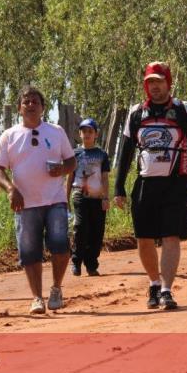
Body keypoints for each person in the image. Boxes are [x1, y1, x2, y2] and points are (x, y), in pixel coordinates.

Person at [114, 62, 187, 310]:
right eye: (150, 82)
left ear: (169, 83)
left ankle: (167, 290)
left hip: (176, 184)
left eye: (159, 81)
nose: (155, 86)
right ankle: (154, 283)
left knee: (171, 236)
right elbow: (125, 153)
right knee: (144, 238)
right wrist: (118, 188)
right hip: (145, 184)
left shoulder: (184, 110)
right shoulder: (136, 113)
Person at [0, 86, 76, 314]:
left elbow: (71, 161)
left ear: (42, 107)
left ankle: (56, 288)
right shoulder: (9, 135)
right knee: (30, 252)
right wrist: (10, 189)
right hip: (25, 204)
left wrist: (62, 169)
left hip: (55, 200)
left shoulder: (56, 131)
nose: (30, 105)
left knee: (60, 246)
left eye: (35, 101)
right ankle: (37, 298)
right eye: (26, 101)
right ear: (19, 108)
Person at [67, 118, 110, 276]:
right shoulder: (74, 154)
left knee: (96, 232)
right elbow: (70, 178)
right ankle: (76, 262)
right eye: (84, 131)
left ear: (96, 134)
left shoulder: (102, 155)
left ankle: (91, 264)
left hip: (97, 198)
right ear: (80, 134)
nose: (87, 134)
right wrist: (66, 199)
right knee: (80, 227)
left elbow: (104, 178)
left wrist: (106, 198)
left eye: (90, 131)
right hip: (79, 195)